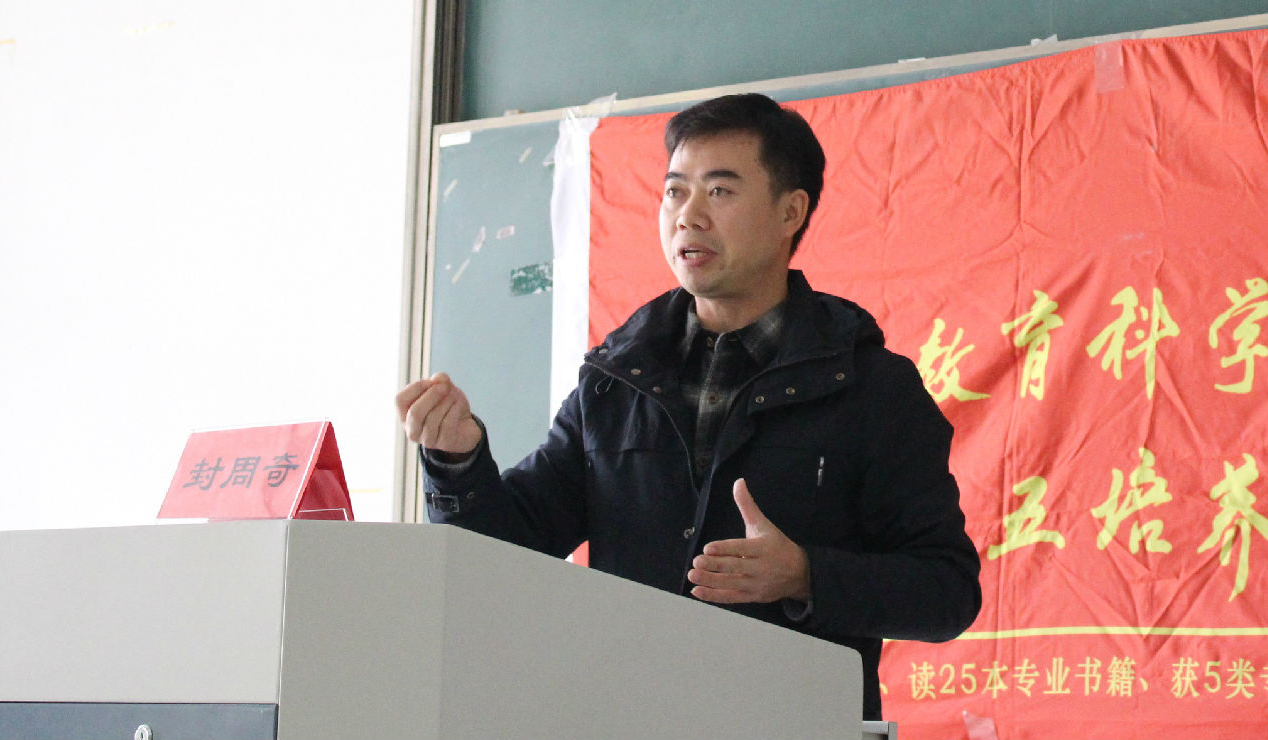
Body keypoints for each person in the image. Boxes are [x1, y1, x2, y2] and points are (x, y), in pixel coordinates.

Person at [396, 93, 982, 719]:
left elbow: (946, 591)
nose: (688, 216)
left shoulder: (869, 387)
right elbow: (503, 553)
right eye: (675, 191)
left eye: (720, 191)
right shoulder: (616, 381)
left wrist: (805, 575)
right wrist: (457, 460)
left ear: (791, 211)